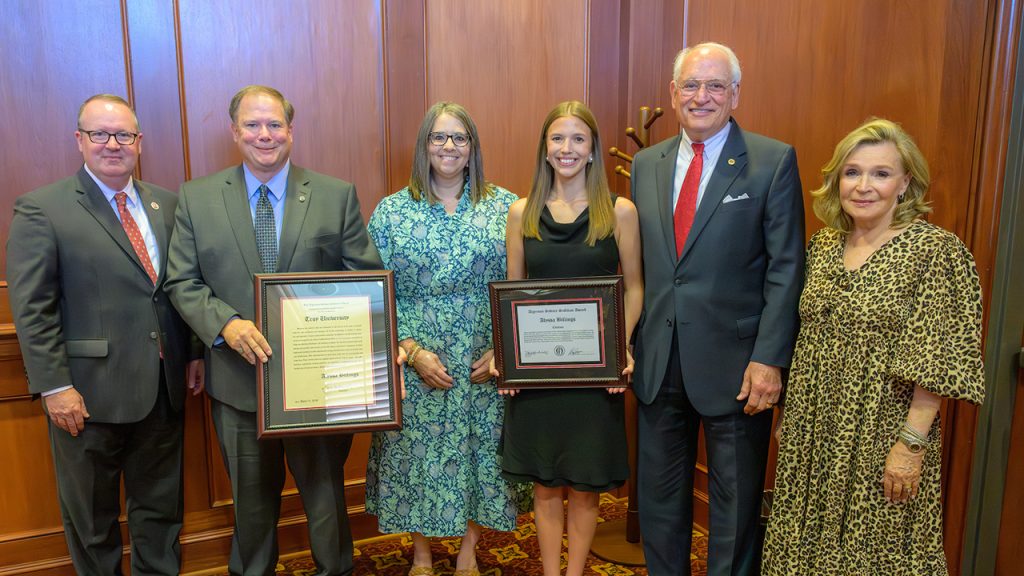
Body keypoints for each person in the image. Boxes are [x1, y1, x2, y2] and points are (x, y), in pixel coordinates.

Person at [164, 85, 383, 576]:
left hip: (319, 387)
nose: (265, 135)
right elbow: (181, 280)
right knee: (252, 508)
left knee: (326, 501)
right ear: (234, 131)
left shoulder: (334, 195)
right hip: (237, 382)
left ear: (291, 130)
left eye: (275, 125)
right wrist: (226, 324)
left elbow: (364, 280)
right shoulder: (197, 199)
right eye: (252, 125)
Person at [762, 118, 985, 575]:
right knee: (803, 544)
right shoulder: (823, 245)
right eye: (852, 172)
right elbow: (807, 337)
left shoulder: (935, 251)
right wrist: (790, 414)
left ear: (906, 183)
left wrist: (911, 444)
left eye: (881, 174)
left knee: (877, 553)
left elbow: (938, 359)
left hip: (881, 434)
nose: (864, 185)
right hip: (812, 430)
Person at [6, 94, 204, 574]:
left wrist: (194, 352)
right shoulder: (43, 209)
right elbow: (32, 307)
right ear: (80, 140)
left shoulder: (167, 203)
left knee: (160, 515)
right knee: (92, 523)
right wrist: (54, 386)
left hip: (162, 390)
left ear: (139, 142)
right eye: (100, 134)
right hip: (86, 398)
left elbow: (182, 285)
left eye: (124, 135)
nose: (112, 144)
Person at [630, 42, 806, 575]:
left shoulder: (772, 161)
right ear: (673, 93)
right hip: (659, 362)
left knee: (733, 512)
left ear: (734, 94)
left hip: (738, 368)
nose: (701, 96)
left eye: (714, 86)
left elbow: (786, 268)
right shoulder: (645, 163)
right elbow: (642, 267)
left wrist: (770, 359)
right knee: (661, 507)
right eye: (690, 85)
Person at [365, 101, 525, 576]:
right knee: (414, 454)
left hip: (483, 359)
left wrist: (503, 348)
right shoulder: (392, 211)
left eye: (459, 137)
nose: (449, 146)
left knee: (482, 451)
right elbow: (376, 292)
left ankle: (468, 551)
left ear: (473, 147)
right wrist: (412, 352)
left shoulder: (506, 207)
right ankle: (419, 552)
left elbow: (521, 285)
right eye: (439, 137)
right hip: (415, 356)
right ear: (424, 146)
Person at [498, 100, 643, 576]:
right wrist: (510, 360)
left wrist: (619, 347)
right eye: (557, 138)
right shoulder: (522, 212)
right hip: (539, 375)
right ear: (545, 149)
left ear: (593, 149)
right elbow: (512, 293)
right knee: (544, 485)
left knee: (584, 485)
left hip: (593, 374)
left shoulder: (619, 211)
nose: (567, 148)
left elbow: (636, 287)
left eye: (578, 139)